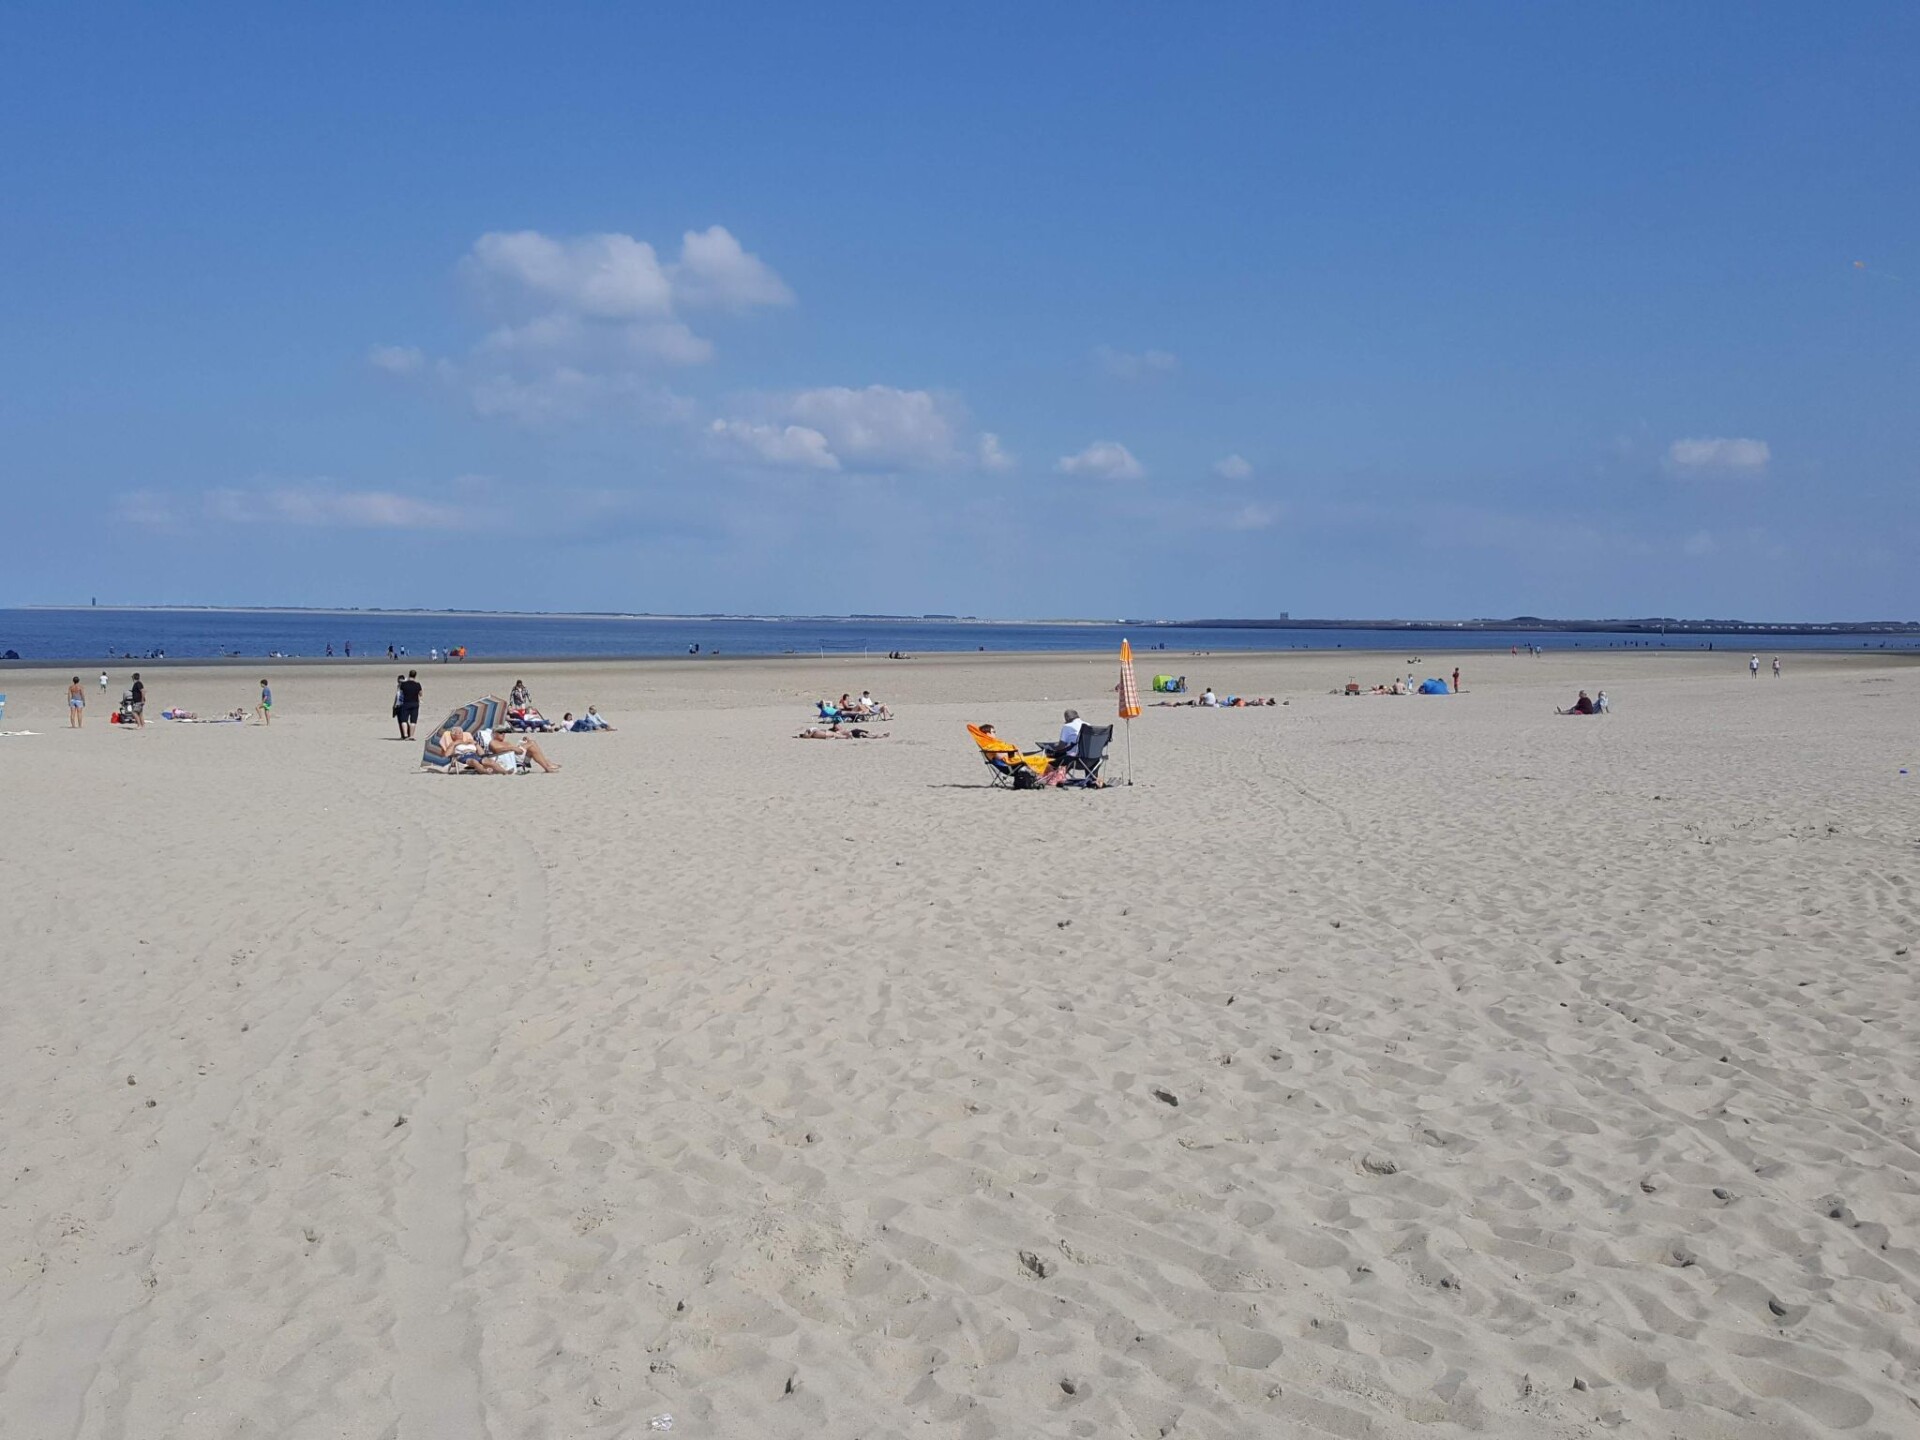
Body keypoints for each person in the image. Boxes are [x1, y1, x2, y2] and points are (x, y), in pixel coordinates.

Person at [397, 670, 423, 740]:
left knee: (404, 720)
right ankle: (411, 736)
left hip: (406, 703)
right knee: (413, 721)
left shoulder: (404, 684)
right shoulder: (417, 684)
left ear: (409, 675)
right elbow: (421, 694)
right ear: (415, 676)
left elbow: (400, 693)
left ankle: (405, 735)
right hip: (415, 703)